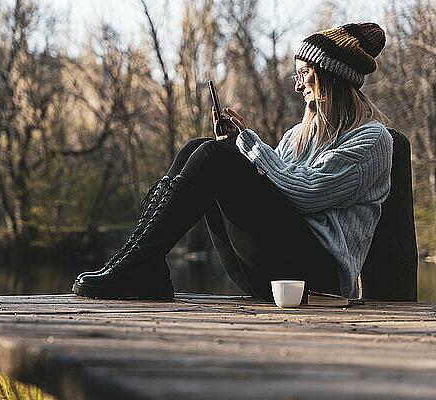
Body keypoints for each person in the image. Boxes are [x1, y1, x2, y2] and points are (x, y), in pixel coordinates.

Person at [72, 22, 393, 301]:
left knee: (215, 156)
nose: (297, 85)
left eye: (305, 75)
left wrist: (247, 145)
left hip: (318, 278)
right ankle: (139, 260)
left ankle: (142, 265)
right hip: (273, 272)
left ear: (330, 76)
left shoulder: (372, 139)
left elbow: (307, 193)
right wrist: (238, 152)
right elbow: (272, 185)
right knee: (200, 147)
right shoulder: (298, 135)